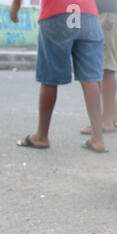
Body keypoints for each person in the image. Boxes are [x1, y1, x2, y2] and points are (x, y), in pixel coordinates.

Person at [11, 0, 108, 153]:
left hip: (58, 12)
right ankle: (98, 139)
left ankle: (42, 136)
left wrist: (16, 6)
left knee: (49, 78)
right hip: (88, 14)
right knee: (91, 79)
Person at [80, 0, 117, 135]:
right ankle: (114, 113)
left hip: (106, 15)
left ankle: (106, 121)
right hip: (104, 13)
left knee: (106, 69)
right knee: (100, 67)